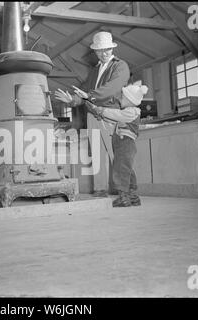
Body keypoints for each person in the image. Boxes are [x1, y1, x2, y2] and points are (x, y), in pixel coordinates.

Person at [54, 31, 130, 196]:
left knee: (116, 153)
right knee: (97, 154)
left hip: (110, 113)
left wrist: (89, 96)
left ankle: (126, 191)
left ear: (112, 47)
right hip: (93, 115)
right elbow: (85, 93)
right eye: (100, 50)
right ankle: (100, 189)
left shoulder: (120, 66)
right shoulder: (95, 71)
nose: (104, 53)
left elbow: (112, 88)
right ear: (95, 51)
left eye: (107, 49)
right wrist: (72, 100)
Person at [84, 82, 148, 207]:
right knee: (127, 169)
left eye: (123, 97)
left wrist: (100, 110)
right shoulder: (129, 112)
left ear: (130, 100)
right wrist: (100, 115)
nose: (120, 99)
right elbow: (115, 118)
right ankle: (133, 196)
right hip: (124, 143)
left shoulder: (131, 112)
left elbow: (116, 115)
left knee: (120, 169)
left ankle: (123, 197)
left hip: (125, 143)